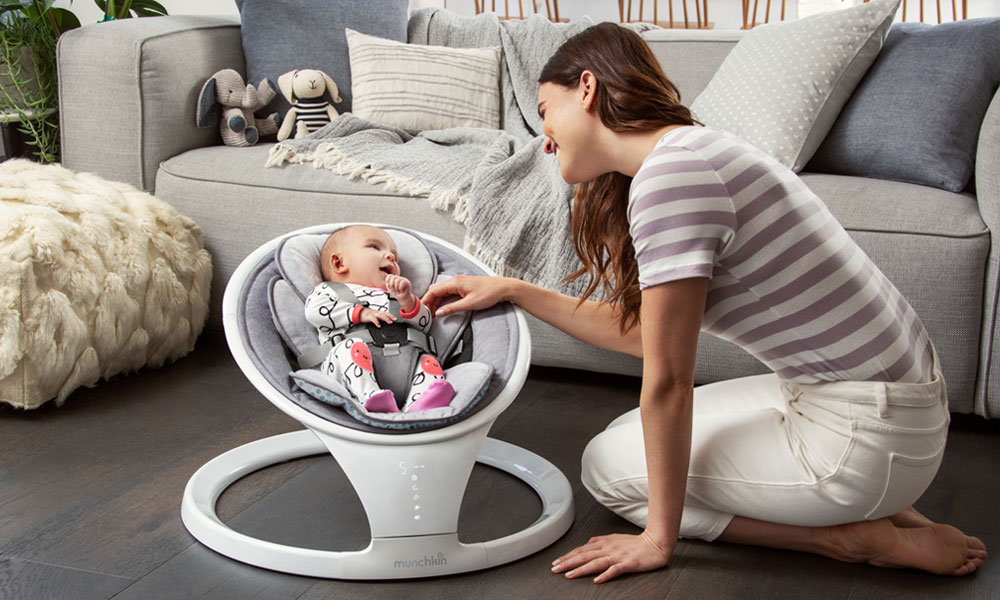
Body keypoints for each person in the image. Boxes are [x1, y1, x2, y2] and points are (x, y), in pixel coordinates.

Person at [421, 22, 987, 583]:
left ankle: (845, 536)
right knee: (628, 438)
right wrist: (514, 290)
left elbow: (668, 379)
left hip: (866, 434)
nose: (543, 135)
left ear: (587, 89)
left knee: (604, 470)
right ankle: (887, 506)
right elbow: (646, 335)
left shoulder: (671, 180)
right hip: (888, 406)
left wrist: (657, 539)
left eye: (545, 109)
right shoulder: (692, 149)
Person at [304, 224, 454, 413]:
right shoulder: (330, 290)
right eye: (374, 247)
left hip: (404, 368)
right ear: (339, 264)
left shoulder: (396, 296)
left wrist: (408, 301)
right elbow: (314, 311)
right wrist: (360, 313)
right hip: (354, 371)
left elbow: (424, 325)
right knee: (349, 349)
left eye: (395, 257)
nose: (390, 256)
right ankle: (370, 396)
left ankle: (420, 402)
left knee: (427, 362)